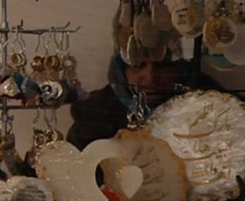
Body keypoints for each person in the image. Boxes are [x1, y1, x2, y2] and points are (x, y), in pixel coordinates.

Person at [66, 52, 218, 147]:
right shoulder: (94, 116)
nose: (150, 77)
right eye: (138, 65)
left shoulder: (214, 105)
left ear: (182, 68)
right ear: (121, 68)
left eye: (163, 65)